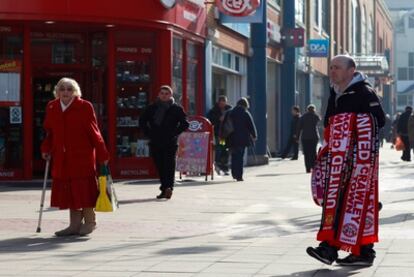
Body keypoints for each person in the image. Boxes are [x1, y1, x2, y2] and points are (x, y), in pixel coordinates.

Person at [307, 55, 385, 267]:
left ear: (351, 70)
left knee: (350, 202)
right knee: (347, 203)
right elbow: (329, 120)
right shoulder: (335, 91)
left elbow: (379, 119)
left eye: (337, 68)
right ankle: (359, 252)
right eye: (331, 67)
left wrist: (349, 127)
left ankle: (330, 249)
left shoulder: (364, 91)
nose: (333, 71)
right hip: (338, 159)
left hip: (358, 161)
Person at [41, 77, 109, 237]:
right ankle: (74, 225)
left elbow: (95, 132)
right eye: (62, 89)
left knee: (83, 188)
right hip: (61, 156)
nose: (66, 92)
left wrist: (102, 154)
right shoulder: (52, 106)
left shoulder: (84, 106)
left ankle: (90, 222)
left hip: (81, 155)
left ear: (75, 91)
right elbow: (50, 132)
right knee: (69, 189)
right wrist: (46, 148)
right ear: (57, 91)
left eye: (69, 89)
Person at [139, 85, 189, 199]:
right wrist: (149, 133)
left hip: (170, 142)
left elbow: (185, 123)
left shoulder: (176, 108)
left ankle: (168, 188)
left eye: (167, 94)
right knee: (160, 166)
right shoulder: (152, 108)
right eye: (162, 93)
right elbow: (142, 121)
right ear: (158, 94)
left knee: (169, 165)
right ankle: (164, 187)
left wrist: (174, 133)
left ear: (171, 95)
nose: (164, 95)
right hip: (156, 140)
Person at [224, 97, 257, 181]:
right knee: (240, 157)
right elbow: (251, 125)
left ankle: (234, 173)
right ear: (245, 105)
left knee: (234, 156)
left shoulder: (230, 112)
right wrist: (254, 135)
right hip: (242, 139)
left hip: (231, 138)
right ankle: (239, 176)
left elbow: (225, 124)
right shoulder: (245, 113)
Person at [207, 95, 232, 175]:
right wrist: (219, 119)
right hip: (220, 134)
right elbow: (211, 121)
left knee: (225, 150)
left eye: (223, 103)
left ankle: (225, 166)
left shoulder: (229, 110)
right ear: (218, 103)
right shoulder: (214, 111)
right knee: (221, 148)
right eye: (221, 103)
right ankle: (219, 165)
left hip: (228, 134)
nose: (222, 105)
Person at [297, 104, 320, 173]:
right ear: (314, 109)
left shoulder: (303, 117)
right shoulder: (316, 116)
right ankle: (314, 166)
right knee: (313, 152)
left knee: (306, 153)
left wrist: (297, 137)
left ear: (307, 109)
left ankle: (308, 168)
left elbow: (299, 128)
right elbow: (319, 120)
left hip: (305, 137)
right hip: (314, 137)